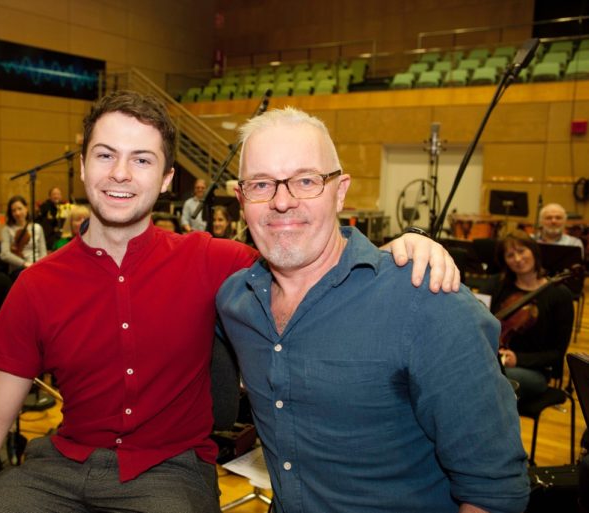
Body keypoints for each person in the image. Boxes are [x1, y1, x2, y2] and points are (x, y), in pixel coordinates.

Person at [0, 91, 459, 513]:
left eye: (142, 159)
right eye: (105, 155)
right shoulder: (36, 284)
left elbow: (308, 248)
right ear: (82, 167)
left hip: (170, 472)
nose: (120, 174)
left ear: (167, 180)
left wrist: (401, 246)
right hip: (58, 467)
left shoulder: (213, 259)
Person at [216, 107, 529, 513]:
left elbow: (494, 493)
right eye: (261, 185)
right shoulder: (235, 302)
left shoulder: (428, 302)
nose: (282, 202)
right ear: (242, 199)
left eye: (306, 180)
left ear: (341, 190)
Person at [492, 230, 574, 401]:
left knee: (492, 379)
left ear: (533, 251)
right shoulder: (500, 287)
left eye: (521, 251)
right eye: (510, 255)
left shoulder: (559, 295)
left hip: (535, 372)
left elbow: (556, 354)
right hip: (496, 361)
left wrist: (518, 359)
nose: (517, 259)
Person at [0, 195, 47, 275]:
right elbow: (4, 254)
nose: (17, 213)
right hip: (19, 269)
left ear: (26, 208)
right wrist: (24, 264)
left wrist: (39, 266)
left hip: (37, 267)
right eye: (13, 211)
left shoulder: (37, 228)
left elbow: (43, 252)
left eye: (19, 209)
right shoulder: (7, 230)